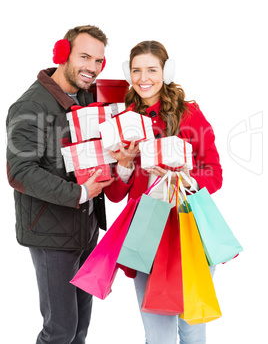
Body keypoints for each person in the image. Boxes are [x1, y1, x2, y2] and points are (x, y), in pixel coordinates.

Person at [104, 40, 223, 344]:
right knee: (158, 336)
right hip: (146, 233)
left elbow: (215, 172)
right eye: (136, 70)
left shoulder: (189, 115)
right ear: (128, 73)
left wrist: (184, 177)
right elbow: (116, 195)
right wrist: (127, 165)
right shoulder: (122, 122)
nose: (144, 78)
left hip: (187, 229)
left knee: (193, 327)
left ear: (166, 71)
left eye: (151, 70)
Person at [6, 25, 114, 344]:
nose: (92, 68)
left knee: (79, 328)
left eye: (99, 60)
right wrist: (80, 192)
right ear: (62, 54)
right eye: (84, 57)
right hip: (51, 233)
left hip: (86, 226)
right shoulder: (30, 106)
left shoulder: (87, 96)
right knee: (60, 331)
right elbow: (20, 171)